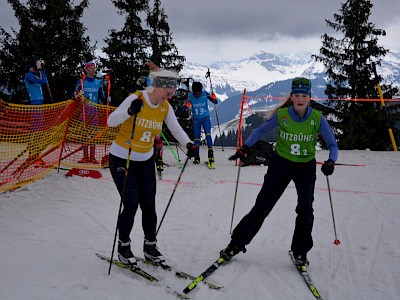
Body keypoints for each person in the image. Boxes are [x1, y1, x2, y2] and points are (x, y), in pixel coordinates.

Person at [219, 77, 339, 269]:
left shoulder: (317, 118)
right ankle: (236, 244)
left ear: (310, 98)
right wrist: (245, 147)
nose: (300, 99)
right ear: (292, 97)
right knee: (262, 206)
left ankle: (300, 251)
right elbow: (260, 131)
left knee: (305, 209)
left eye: (304, 96)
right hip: (281, 164)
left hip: (305, 167)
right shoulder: (283, 114)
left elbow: (332, 144)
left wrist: (331, 161)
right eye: (297, 95)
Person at [107, 69, 197, 266]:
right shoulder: (136, 98)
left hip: (145, 160)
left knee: (148, 204)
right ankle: (124, 247)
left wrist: (188, 144)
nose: (171, 96)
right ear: (158, 87)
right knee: (131, 203)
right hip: (123, 158)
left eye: (172, 93)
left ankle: (150, 246)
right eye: (169, 92)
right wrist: (129, 111)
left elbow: (175, 128)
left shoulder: (165, 107)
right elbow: (111, 121)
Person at [74, 60, 106, 164]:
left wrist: (107, 99)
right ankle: (85, 156)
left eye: (94, 68)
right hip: (84, 110)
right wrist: (79, 94)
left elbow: (102, 96)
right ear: (86, 70)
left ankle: (92, 157)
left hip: (94, 111)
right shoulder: (81, 81)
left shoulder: (98, 82)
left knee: (93, 135)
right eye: (91, 68)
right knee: (84, 134)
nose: (93, 70)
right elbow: (75, 95)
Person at [185, 81, 218, 168]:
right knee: (197, 138)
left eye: (198, 93)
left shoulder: (205, 94)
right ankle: (196, 156)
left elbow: (216, 102)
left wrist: (214, 98)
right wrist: (186, 105)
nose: (197, 95)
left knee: (208, 135)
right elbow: (184, 107)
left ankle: (210, 155)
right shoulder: (190, 96)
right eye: (195, 93)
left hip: (205, 118)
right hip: (196, 120)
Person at [24, 58, 48, 165]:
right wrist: (41, 69)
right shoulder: (29, 76)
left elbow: (45, 81)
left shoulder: (36, 75)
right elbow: (43, 81)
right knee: (35, 131)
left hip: (40, 104)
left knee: (39, 131)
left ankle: (36, 155)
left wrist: (41, 69)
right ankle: (32, 155)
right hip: (35, 104)